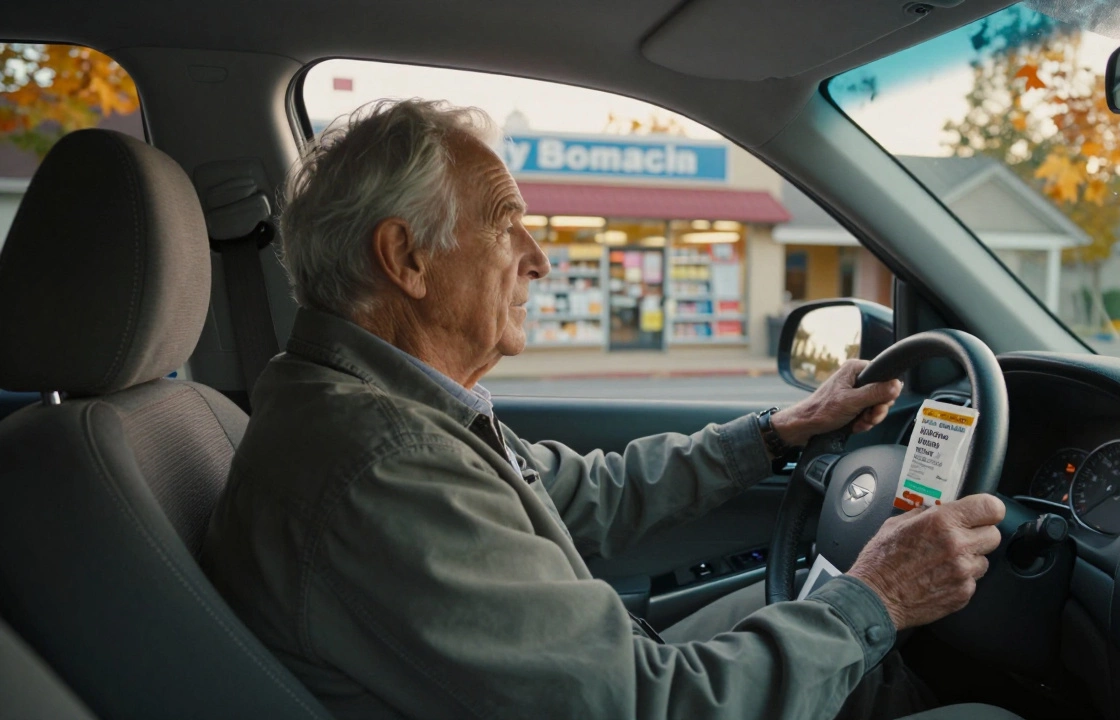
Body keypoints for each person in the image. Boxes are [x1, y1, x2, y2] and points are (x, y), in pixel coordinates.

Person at [202, 99, 1014, 720]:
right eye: (507, 224)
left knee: (805, 623)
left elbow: (587, 494)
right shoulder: (378, 464)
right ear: (405, 258)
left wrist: (778, 432)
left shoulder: (376, 412)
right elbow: (646, 706)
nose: (540, 259)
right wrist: (878, 599)